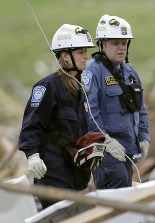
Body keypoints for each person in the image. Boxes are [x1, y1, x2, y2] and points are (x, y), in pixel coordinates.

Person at [18, 24, 97, 209]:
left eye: (86, 51)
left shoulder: (81, 89)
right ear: (65, 56)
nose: (86, 56)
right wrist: (32, 156)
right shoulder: (47, 87)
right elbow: (31, 124)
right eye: (80, 52)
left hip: (76, 174)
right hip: (54, 174)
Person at [83, 14, 150, 189]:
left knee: (125, 187)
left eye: (124, 43)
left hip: (128, 147)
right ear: (102, 45)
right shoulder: (92, 71)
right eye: (115, 43)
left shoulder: (129, 71)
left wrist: (144, 137)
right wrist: (105, 141)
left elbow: (140, 108)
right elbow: (89, 112)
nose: (121, 48)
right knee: (118, 182)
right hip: (106, 149)